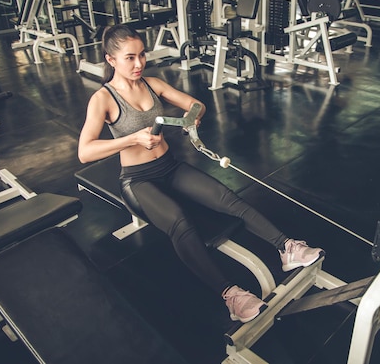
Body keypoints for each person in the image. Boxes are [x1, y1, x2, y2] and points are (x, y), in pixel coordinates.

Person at [78, 24, 325, 324]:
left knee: (227, 198)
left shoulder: (152, 84)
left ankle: (287, 248)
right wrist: (133, 139)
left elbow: (198, 106)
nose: (139, 63)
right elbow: (85, 151)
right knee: (181, 222)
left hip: (169, 167)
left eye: (142, 55)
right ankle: (231, 295)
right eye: (130, 57)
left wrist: (188, 120)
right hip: (137, 179)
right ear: (111, 60)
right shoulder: (103, 99)